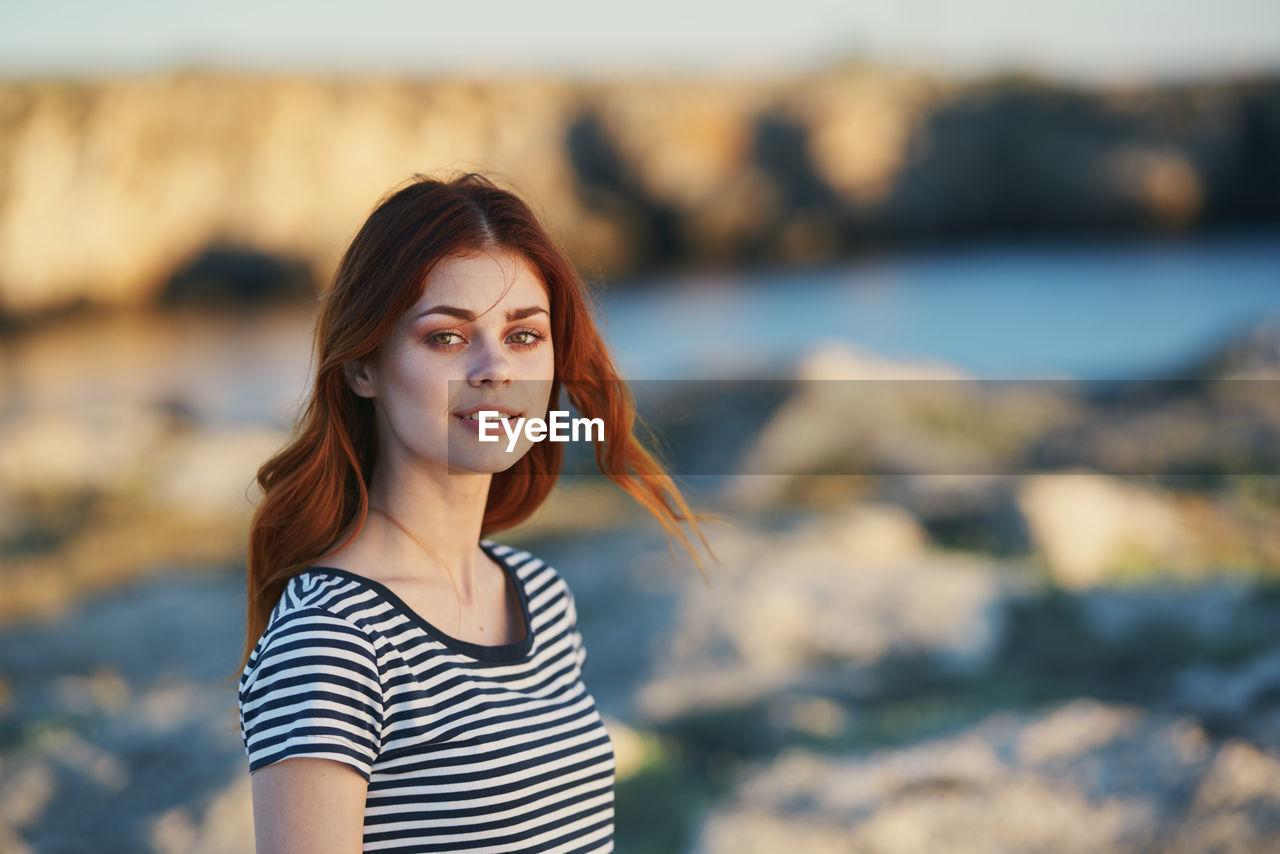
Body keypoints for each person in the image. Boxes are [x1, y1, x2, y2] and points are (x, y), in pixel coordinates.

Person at [236, 172, 711, 853]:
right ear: (362, 368)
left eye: (524, 337)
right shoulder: (331, 640)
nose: (495, 369)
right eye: (446, 338)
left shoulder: (541, 596)